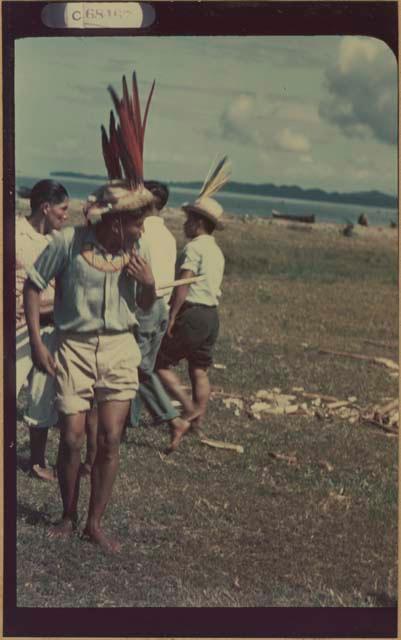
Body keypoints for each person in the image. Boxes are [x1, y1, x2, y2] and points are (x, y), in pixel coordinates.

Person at [24, 71, 157, 553]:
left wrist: (148, 287)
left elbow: (145, 309)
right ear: (114, 222)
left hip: (119, 348)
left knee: (109, 440)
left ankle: (94, 523)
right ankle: (65, 514)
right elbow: (32, 284)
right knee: (74, 438)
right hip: (72, 348)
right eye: (136, 222)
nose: (142, 229)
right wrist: (39, 344)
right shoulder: (67, 243)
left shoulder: (136, 254)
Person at [156, 163, 229, 447]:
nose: (184, 224)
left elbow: (183, 284)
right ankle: (199, 420)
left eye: (187, 220)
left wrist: (172, 316)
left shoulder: (194, 247)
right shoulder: (216, 251)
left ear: (198, 223)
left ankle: (187, 408)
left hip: (194, 313)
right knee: (199, 369)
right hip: (212, 316)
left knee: (156, 362)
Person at [128, 180, 195, 451]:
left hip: (146, 307)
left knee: (135, 369)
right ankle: (126, 422)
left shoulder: (143, 234)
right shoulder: (167, 235)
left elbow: (140, 279)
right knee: (140, 366)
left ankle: (172, 419)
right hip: (162, 309)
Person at [16, 179, 69, 481]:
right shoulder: (12, 233)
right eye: (62, 210)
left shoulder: (59, 242)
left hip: (50, 327)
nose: (66, 216)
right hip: (15, 328)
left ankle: (37, 461)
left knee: (41, 394)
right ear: (45, 208)